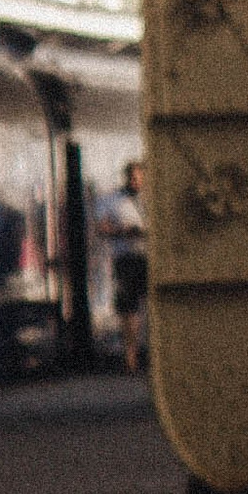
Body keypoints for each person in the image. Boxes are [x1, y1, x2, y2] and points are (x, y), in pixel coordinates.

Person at [98, 156, 146, 373]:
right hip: (126, 258)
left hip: (148, 256)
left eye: (139, 178)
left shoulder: (151, 199)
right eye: (132, 178)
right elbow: (102, 228)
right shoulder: (112, 200)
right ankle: (131, 357)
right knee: (128, 310)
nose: (135, 182)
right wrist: (123, 231)